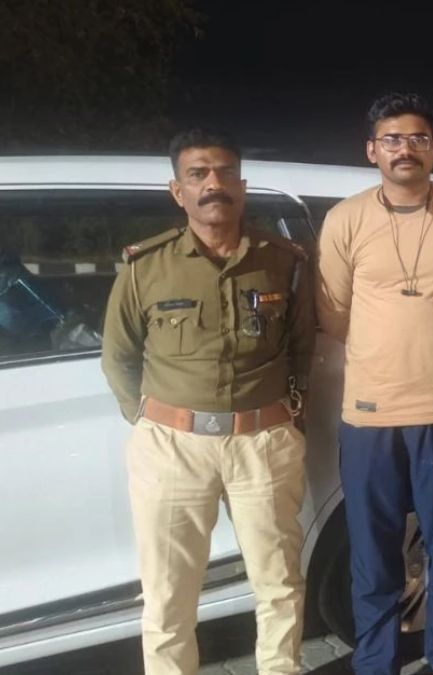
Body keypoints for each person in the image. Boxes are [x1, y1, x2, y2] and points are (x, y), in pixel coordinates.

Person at [101, 127, 314, 675]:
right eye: (198, 174)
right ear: (179, 191)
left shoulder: (283, 261)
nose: (213, 184)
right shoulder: (146, 267)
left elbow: (302, 349)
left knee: (279, 583)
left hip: (263, 444)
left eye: (224, 173)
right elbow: (118, 357)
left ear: (241, 186)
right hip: (172, 446)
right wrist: (151, 419)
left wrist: (288, 419)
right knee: (168, 594)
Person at [315, 92, 433, 675]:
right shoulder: (345, 219)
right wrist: (386, 353)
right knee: (372, 553)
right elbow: (333, 313)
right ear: (371, 150)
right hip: (369, 415)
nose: (405, 149)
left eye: (418, 139)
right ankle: (376, 662)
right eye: (392, 139)